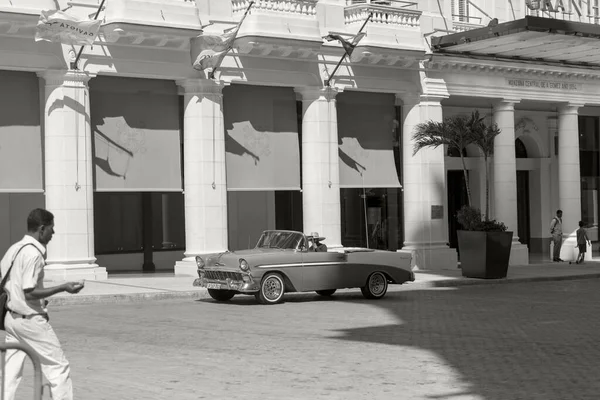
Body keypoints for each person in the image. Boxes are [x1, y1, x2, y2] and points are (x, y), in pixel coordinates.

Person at [1, 208, 85, 400]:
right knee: (58, 366)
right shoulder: (33, 254)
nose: (53, 233)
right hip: (30, 321)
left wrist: (40, 299)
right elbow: (29, 292)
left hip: (11, 319)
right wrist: (63, 287)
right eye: (51, 229)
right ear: (41, 229)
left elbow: (11, 285)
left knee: (9, 372)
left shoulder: (14, 249)